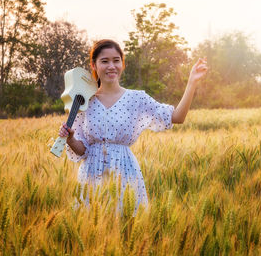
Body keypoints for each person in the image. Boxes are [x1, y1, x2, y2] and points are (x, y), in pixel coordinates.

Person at [59, 39, 207, 212]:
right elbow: (83, 150)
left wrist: (192, 82)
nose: (111, 66)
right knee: (93, 228)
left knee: (127, 225)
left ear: (123, 63)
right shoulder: (84, 100)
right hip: (92, 173)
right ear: (94, 65)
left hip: (125, 172)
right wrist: (70, 139)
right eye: (104, 61)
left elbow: (177, 117)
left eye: (116, 60)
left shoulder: (137, 99)